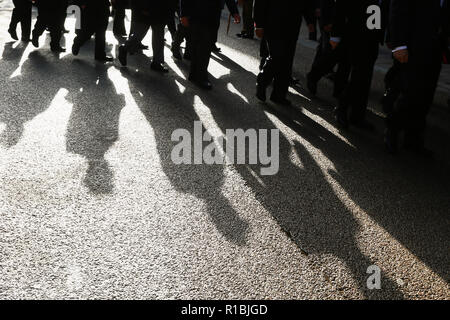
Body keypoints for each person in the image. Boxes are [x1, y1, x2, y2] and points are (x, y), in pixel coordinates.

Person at [385, 0, 450, 156]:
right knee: (410, 93)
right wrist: (398, 44)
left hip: (435, 47)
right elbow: (398, 10)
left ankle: (413, 139)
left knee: (426, 96)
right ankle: (392, 131)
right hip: (412, 47)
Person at [329, 0, 386, 130]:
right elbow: (341, 7)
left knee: (365, 78)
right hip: (356, 33)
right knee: (359, 76)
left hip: (372, 35)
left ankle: (357, 116)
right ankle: (342, 107)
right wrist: (335, 34)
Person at [180, 0, 241, 90]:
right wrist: (184, 14)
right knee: (197, 45)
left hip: (211, 16)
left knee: (204, 47)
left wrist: (234, 12)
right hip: (195, 14)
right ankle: (198, 75)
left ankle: (198, 75)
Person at [254, 0, 304, 105]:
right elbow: (260, 2)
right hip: (273, 23)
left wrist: (311, 20)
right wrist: (259, 24)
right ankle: (262, 82)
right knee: (276, 56)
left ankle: (279, 95)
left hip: (293, 23)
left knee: (287, 61)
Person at [118, 0, 173, 72]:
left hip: (158, 11)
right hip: (146, 10)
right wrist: (140, 9)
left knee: (158, 38)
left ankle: (157, 62)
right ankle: (124, 48)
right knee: (139, 35)